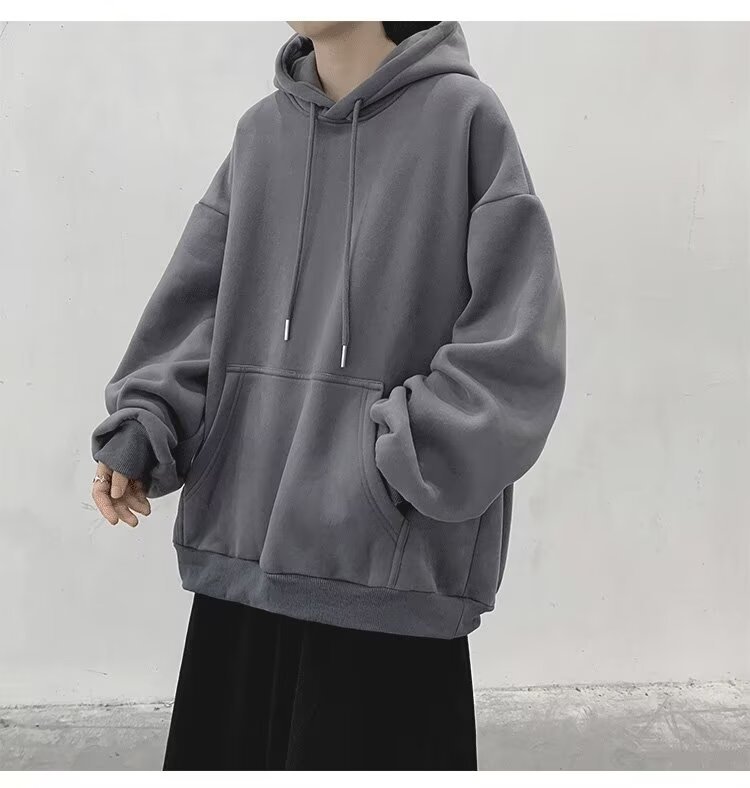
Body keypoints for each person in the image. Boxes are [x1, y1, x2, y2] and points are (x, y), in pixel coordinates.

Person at [90, 20, 566, 771]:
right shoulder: (259, 136)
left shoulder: (464, 120)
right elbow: (198, 315)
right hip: (242, 575)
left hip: (386, 580)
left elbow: (517, 348)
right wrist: (146, 424)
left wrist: (395, 464)